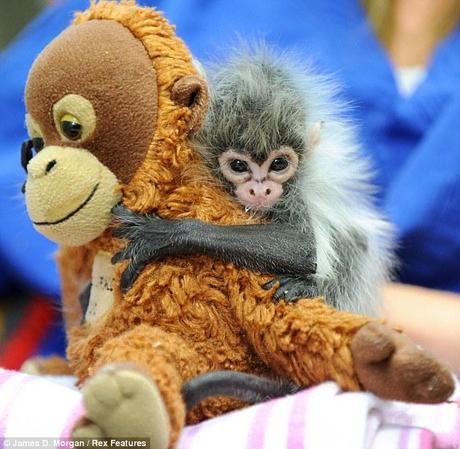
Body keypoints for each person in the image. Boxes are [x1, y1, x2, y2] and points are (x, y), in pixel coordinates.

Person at [0, 0, 459, 370]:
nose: (259, 188)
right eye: (240, 169)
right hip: (114, 339)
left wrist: (341, 297)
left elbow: (315, 251)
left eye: (277, 167)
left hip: (348, 359)